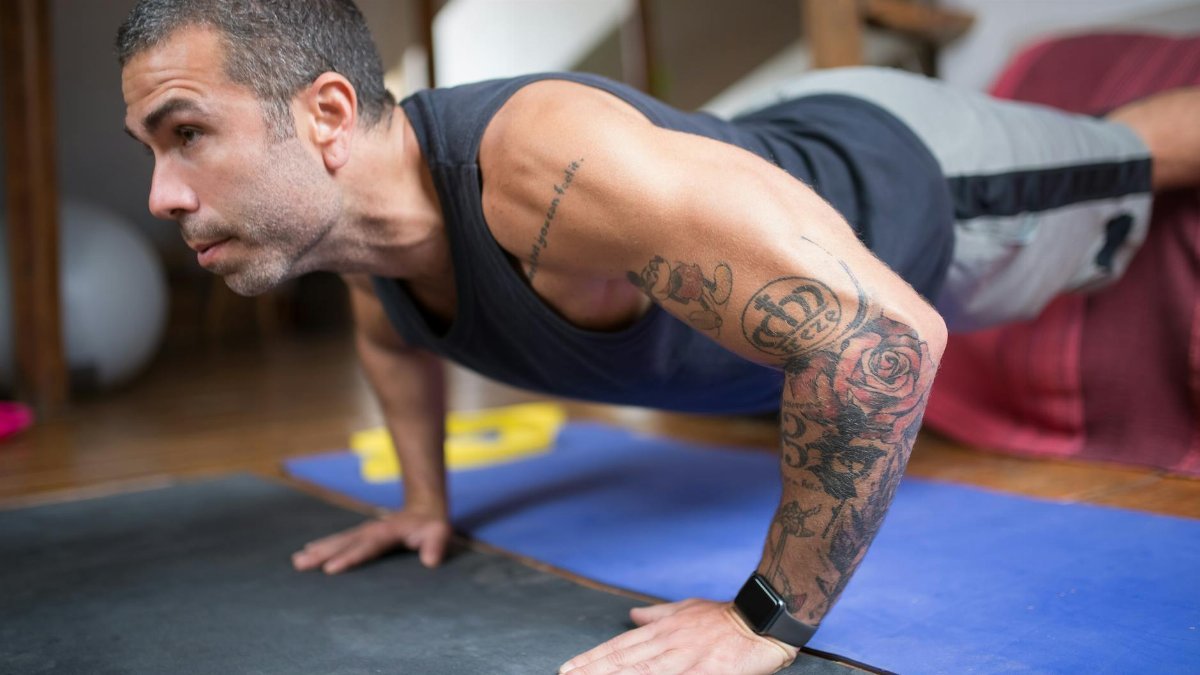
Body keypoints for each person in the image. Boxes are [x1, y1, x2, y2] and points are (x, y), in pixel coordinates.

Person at [116, 1, 1198, 672]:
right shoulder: (361, 244)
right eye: (151, 150)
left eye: (189, 134)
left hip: (929, 181)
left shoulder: (543, 171)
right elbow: (399, 345)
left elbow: (887, 338)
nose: (161, 195)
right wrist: (421, 502)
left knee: (1141, 153)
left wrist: (764, 619)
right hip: (789, 140)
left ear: (329, 115)